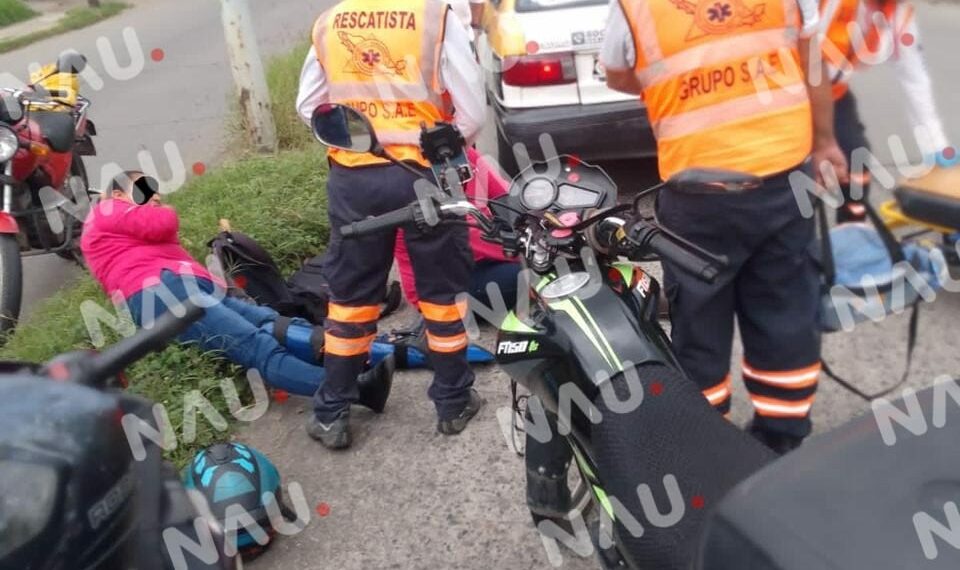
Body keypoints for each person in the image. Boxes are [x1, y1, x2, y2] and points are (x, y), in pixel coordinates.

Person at [602, 0, 849, 452]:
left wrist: (684, 83)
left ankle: (709, 449)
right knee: (785, 313)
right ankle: (782, 440)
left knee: (698, 325)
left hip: (697, 196)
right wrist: (827, 141)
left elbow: (617, 72)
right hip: (782, 180)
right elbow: (811, 56)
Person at [297, 0, 487, 448]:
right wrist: (442, 138)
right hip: (426, 175)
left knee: (351, 296)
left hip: (354, 178)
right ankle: (453, 401)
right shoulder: (435, 17)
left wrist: (360, 132)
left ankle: (332, 412)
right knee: (442, 294)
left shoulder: (330, 22)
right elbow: (473, 114)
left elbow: (310, 108)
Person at [80, 172, 394, 410]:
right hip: (161, 293)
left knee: (274, 324)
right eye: (145, 188)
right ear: (119, 193)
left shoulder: (119, 229)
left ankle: (387, 353)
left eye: (156, 189)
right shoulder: (106, 211)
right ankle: (351, 389)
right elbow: (161, 222)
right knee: (258, 347)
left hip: (179, 287)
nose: (157, 195)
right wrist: (163, 209)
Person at [820, 0, 954, 223]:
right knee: (794, 171)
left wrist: (936, 147)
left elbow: (915, 80)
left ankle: (853, 233)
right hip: (794, 93)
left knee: (856, 162)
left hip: (834, 93)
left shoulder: (897, 15)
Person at [395, 147, 521, 313]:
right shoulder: (409, 176)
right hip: (440, 284)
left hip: (478, 260)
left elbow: (507, 198)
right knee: (531, 273)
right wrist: (535, 251)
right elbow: (470, 237)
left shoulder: (464, 153)